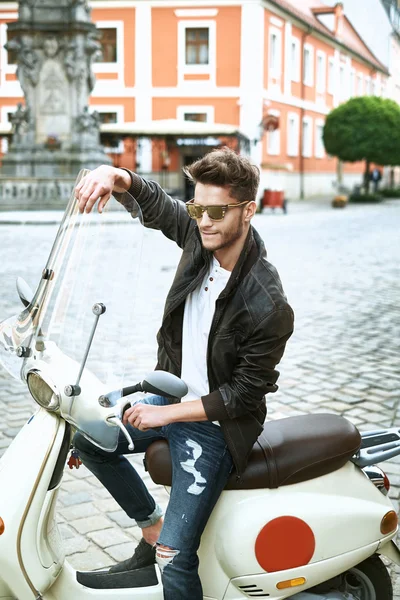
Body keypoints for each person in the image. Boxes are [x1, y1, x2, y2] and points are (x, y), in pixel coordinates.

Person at [73, 148, 294, 600]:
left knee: (174, 559)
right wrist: (114, 174)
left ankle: (163, 545)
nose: (204, 220)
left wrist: (165, 417)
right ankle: (150, 528)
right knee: (87, 437)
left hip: (215, 427)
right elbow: (156, 204)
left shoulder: (268, 304)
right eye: (197, 208)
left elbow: (243, 396)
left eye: (216, 211)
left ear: (248, 210)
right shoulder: (200, 236)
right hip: (173, 395)